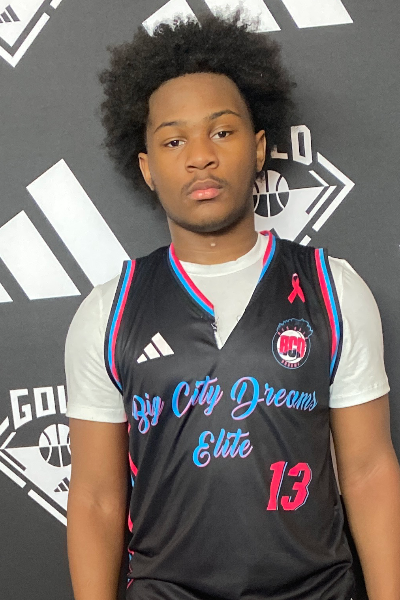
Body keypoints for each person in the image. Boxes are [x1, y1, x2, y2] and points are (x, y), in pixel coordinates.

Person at [65, 13, 400, 600]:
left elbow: (369, 470)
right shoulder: (107, 312)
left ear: (260, 147)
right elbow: (95, 497)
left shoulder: (333, 289)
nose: (201, 157)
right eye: (174, 141)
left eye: (222, 132)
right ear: (147, 167)